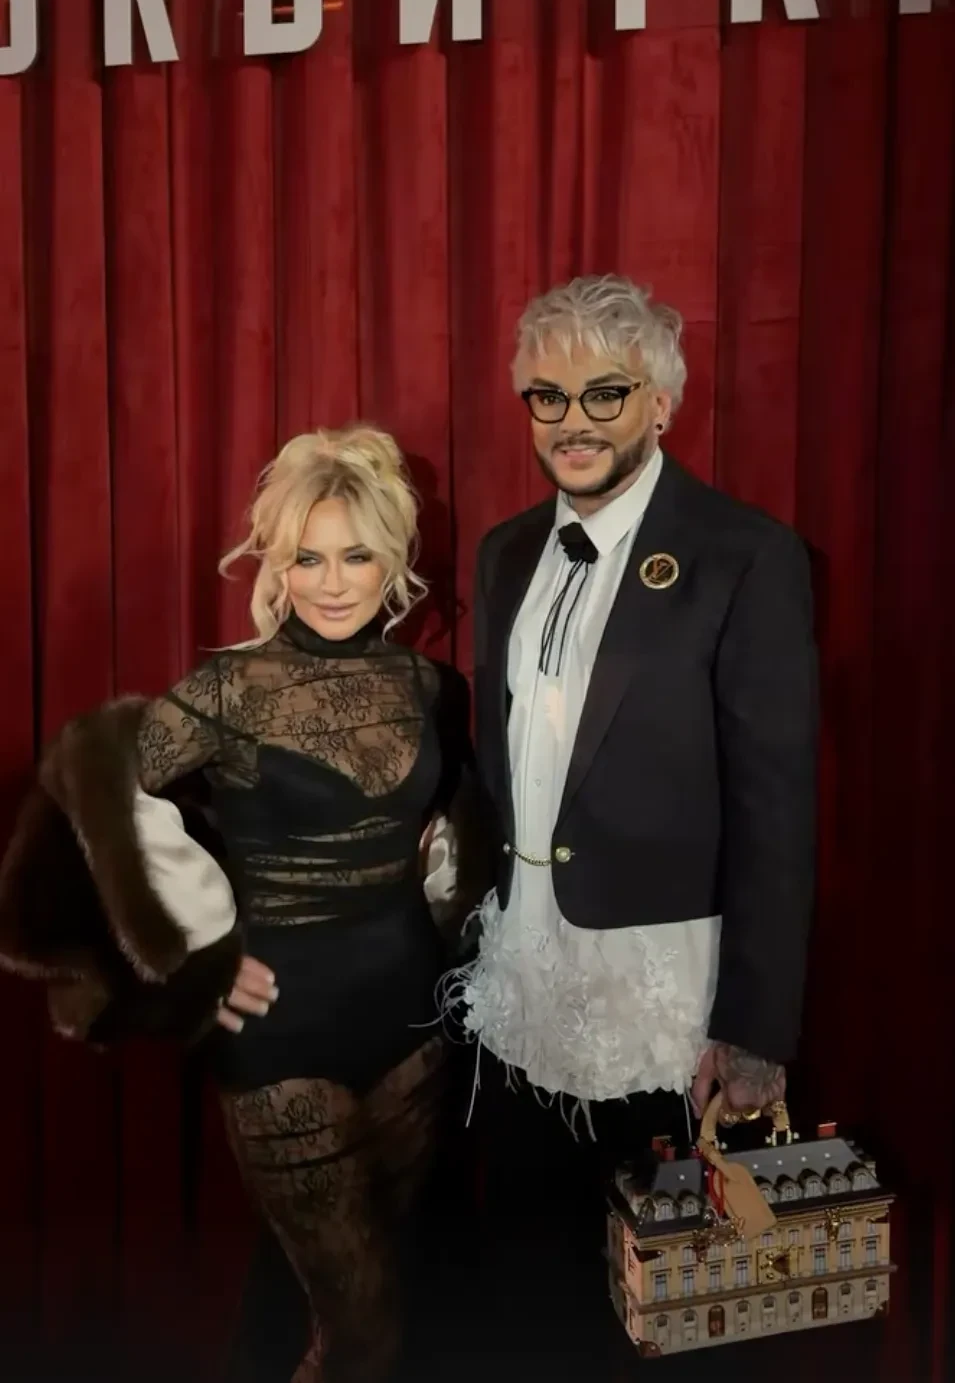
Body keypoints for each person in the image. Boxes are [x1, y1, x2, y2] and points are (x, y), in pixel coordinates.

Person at [0, 427, 480, 1383]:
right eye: (307, 557)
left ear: (393, 560)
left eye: (355, 556)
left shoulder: (431, 686)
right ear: (277, 564)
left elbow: (459, 839)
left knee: (392, 1304)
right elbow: (83, 782)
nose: (332, 583)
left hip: (415, 1039)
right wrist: (188, 969)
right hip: (279, 1045)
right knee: (361, 1329)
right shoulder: (228, 690)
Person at [446, 275, 819, 1368]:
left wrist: (756, 1030)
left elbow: (776, 809)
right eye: (547, 397)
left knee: (662, 1316)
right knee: (528, 1284)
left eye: (604, 393)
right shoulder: (505, 551)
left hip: (662, 1008)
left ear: (661, 402)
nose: (573, 422)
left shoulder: (745, 555)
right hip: (517, 984)